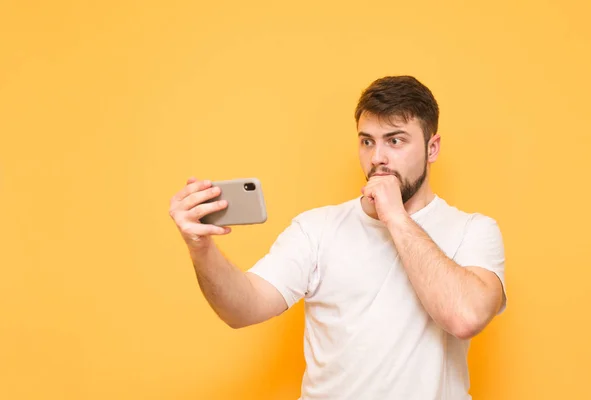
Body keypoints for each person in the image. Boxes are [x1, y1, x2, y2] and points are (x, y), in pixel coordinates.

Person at [168, 76, 507, 400]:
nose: (377, 158)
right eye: (367, 141)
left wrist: (395, 217)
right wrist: (200, 248)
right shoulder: (317, 229)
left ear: (432, 148)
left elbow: (466, 317)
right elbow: (243, 310)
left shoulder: (474, 230)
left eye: (396, 140)